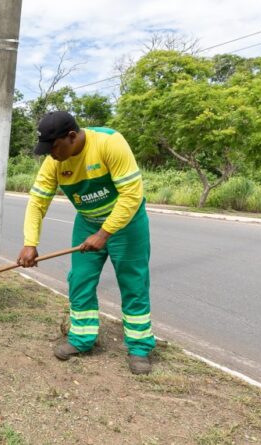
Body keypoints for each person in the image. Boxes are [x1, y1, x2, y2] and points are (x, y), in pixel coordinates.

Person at [16, 111, 155, 375]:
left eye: (53, 147)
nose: (50, 154)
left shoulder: (109, 143)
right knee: (80, 279)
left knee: (133, 282)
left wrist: (104, 233)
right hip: (88, 222)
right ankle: (82, 338)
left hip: (127, 223)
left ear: (71, 136)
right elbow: (37, 202)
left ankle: (139, 347)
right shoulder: (54, 162)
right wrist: (30, 242)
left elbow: (131, 195)